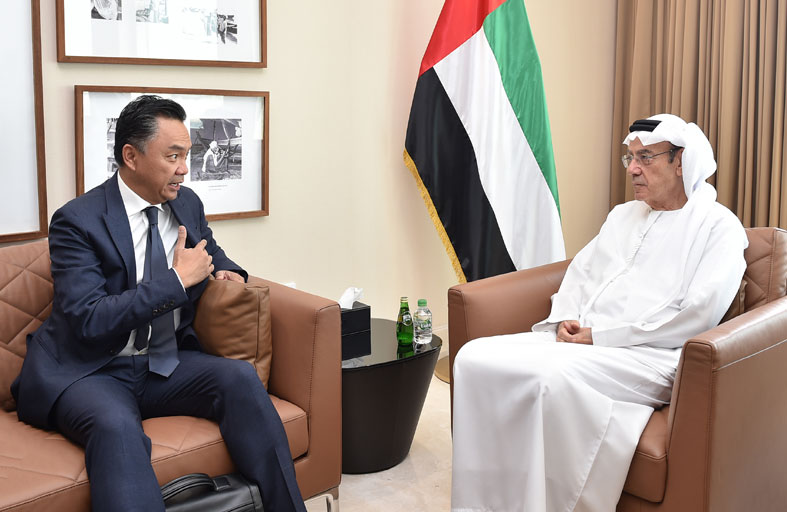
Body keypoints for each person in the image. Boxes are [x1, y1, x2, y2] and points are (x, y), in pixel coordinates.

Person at [11, 95, 307, 512]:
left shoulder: (186, 203)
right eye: (173, 156)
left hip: (164, 364)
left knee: (240, 379)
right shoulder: (76, 220)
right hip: (91, 370)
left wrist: (229, 274)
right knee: (115, 427)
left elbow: (212, 253)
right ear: (131, 156)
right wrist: (176, 281)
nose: (185, 168)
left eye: (186, 155)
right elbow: (89, 318)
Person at [450, 114, 748, 512]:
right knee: (473, 357)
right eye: (630, 158)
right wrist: (567, 317)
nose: (633, 169)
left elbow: (698, 315)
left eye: (645, 158)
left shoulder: (719, 228)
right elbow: (580, 273)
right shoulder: (623, 216)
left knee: (547, 379)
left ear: (680, 161)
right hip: (584, 342)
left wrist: (600, 336)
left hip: (651, 355)